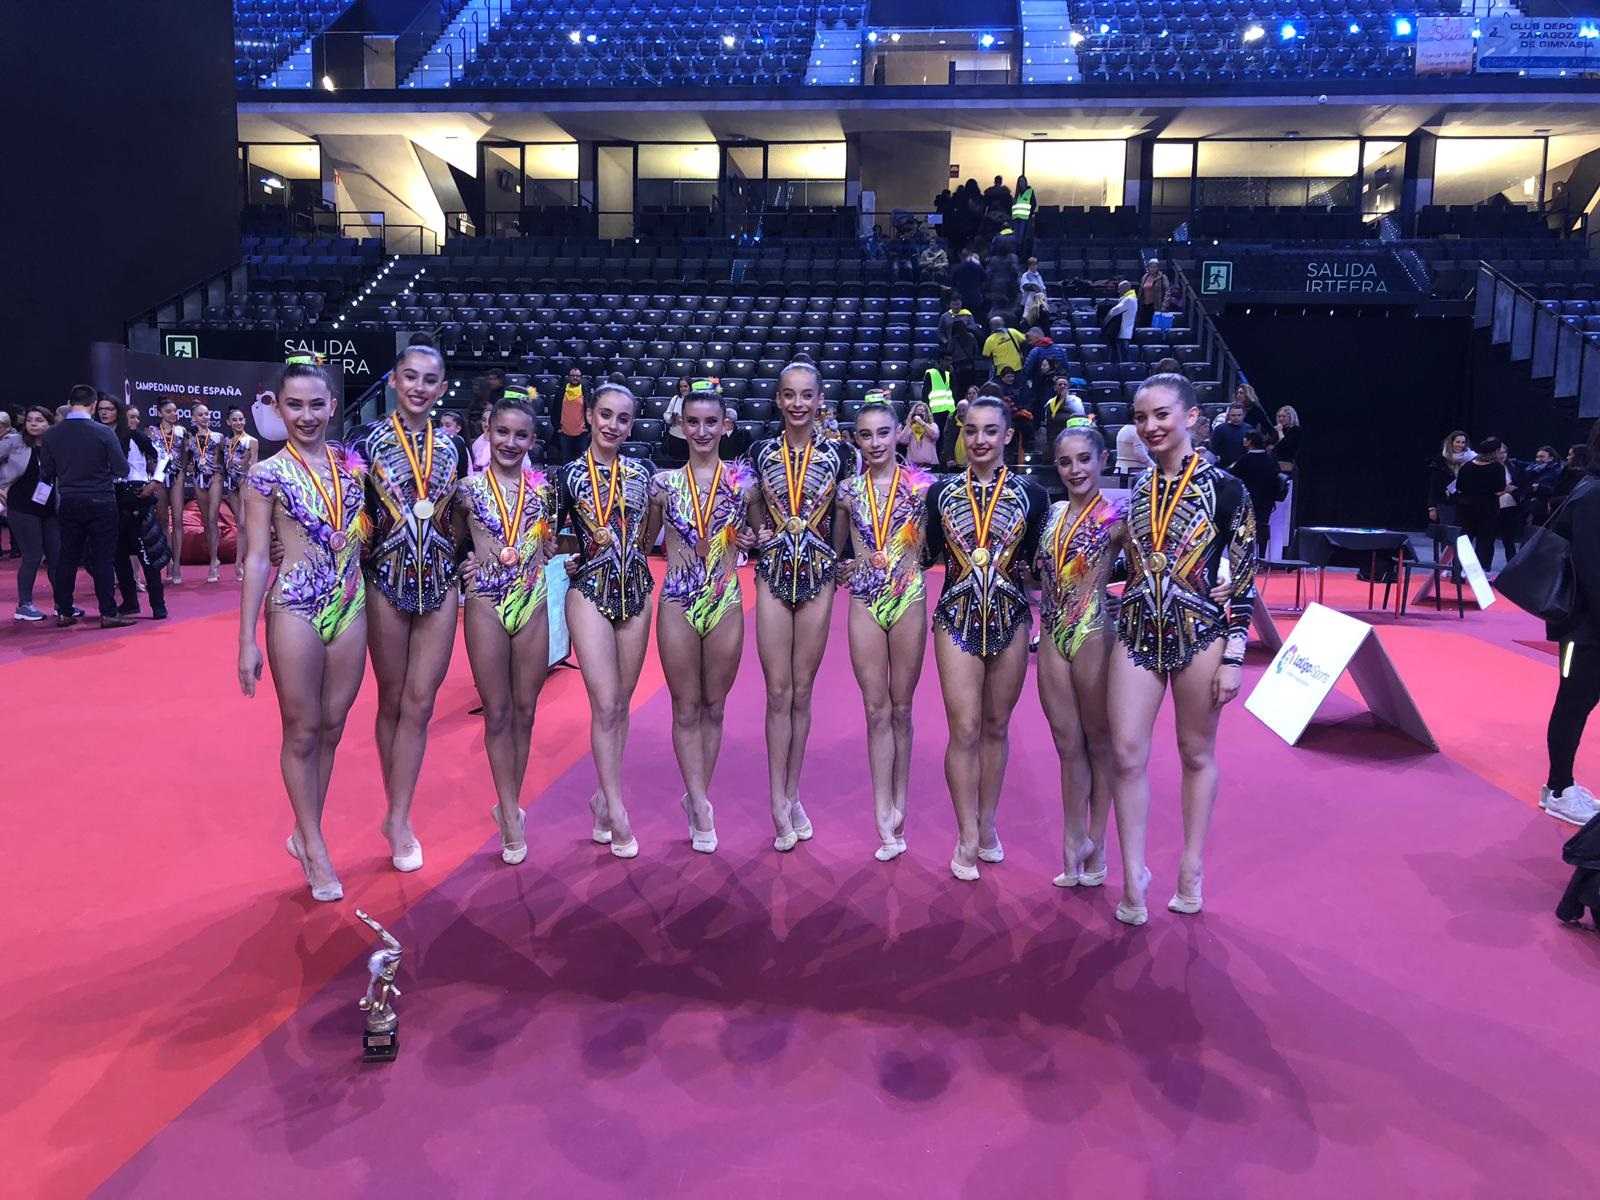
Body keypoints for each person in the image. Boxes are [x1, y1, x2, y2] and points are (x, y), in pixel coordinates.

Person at [1108, 374, 1256, 925]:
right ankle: (1134, 873)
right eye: (1141, 417)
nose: (1150, 427)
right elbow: (1130, 563)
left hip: (1201, 635)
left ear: (1192, 417)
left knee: (1195, 753)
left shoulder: (1228, 490)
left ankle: (1191, 867)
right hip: (1137, 630)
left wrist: (1234, 657)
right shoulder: (1136, 492)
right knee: (1126, 753)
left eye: (1161, 415)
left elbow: (1243, 578)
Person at [238, 360, 370, 902]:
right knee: (302, 729)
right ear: (277, 408)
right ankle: (315, 846)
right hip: (293, 604)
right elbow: (255, 557)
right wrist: (246, 639)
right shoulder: (265, 474)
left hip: (351, 604)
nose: (307, 415)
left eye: (317, 405)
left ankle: (303, 830)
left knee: (333, 727)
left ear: (333, 407)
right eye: (294, 405)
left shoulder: (355, 466)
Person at [924, 397, 1050, 880]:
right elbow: (925, 554)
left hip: (1010, 617)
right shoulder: (940, 492)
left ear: (1007, 436)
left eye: (990, 431)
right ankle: (966, 833)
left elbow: (1039, 562)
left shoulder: (1032, 494)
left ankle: (988, 820)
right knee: (964, 729)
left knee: (996, 726)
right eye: (972, 430)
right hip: (955, 618)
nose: (980, 440)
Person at [350, 343, 461, 872]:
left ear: (442, 388)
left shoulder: (454, 448)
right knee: (392, 699)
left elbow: (459, 518)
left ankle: (399, 815)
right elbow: (349, 511)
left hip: (440, 583)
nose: (419, 387)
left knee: (421, 702)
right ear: (394, 381)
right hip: (384, 580)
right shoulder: (365, 441)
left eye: (429, 379)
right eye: (410, 376)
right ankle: (396, 811)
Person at [749, 362, 858, 851]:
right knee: (777, 692)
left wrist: (837, 559)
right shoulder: (759, 452)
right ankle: (776, 797)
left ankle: (793, 793)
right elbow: (752, 506)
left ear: (820, 401)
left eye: (806, 395)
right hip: (773, 575)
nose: (797, 403)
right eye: (789, 395)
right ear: (778, 399)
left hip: (818, 577)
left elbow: (844, 514)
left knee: (801, 691)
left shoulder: (841, 455)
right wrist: (758, 537)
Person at [645, 386, 758, 854]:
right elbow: (639, 544)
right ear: (680, 426)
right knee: (685, 706)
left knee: (715, 705)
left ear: (726, 426)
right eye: (693, 422)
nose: (702, 431)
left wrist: (752, 538)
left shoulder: (744, 484)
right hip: (677, 598)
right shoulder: (662, 485)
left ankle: (697, 796)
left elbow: (759, 533)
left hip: (725, 598)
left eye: (711, 422)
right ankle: (700, 803)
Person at [453, 394, 559, 865]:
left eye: (520, 435)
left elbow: (549, 540)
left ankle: (509, 802)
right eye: (502, 432)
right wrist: (465, 562)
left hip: (532, 601)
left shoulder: (544, 492)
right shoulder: (467, 491)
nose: (510, 442)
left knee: (526, 711)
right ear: (487, 432)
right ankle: (511, 813)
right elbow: (450, 540)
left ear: (532, 440)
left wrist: (550, 549)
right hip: (485, 604)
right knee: (497, 713)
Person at [556, 383, 655, 858]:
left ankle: (601, 796)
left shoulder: (642, 473)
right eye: (606, 415)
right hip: (589, 592)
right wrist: (573, 555)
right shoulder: (567, 475)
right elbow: (550, 536)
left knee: (622, 705)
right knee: (606, 701)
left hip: (636, 591)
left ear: (631, 426)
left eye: (623, 418)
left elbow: (649, 533)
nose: (613, 425)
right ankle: (617, 810)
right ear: (590, 417)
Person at [835, 402, 932, 860]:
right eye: (865, 435)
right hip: (864, 601)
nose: (874, 443)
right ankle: (881, 810)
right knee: (876, 710)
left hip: (908, 596)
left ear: (899, 434)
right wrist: (843, 567)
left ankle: (901, 800)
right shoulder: (847, 492)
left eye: (882, 433)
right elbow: (835, 550)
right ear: (856, 439)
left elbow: (937, 547)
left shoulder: (922, 488)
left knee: (902, 708)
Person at [1036, 420, 1123, 889]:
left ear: (1103, 460)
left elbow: (1153, 566)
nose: (1075, 470)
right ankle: (1073, 840)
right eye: (1066, 462)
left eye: (1084, 459)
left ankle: (1099, 842)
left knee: (1099, 741)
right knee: (1067, 744)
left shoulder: (1117, 516)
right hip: (1052, 633)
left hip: (1094, 631)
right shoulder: (1051, 514)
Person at [1539, 422, 1600, 826]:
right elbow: (1593, 569)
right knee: (1574, 703)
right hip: (1585, 626)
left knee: (1579, 702)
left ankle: (1560, 786)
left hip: (1590, 625)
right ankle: (1559, 788)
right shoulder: (1593, 494)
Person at [40, 386, 135, 630]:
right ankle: (108, 613)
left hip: (69, 500)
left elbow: (47, 471)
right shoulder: (103, 432)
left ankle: (63, 611)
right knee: (103, 558)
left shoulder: (52, 434)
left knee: (67, 557)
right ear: (93, 406)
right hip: (101, 500)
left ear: (69, 403)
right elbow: (122, 469)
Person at [97, 393, 168, 619]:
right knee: (118, 553)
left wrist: (154, 482)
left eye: (109, 408)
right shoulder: (96, 435)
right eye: (101, 409)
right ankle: (129, 602)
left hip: (137, 494)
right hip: (110, 496)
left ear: (118, 411)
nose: (104, 412)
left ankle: (158, 605)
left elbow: (164, 455)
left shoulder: (135, 435)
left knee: (147, 551)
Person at [6, 407, 60, 622]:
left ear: (49, 423)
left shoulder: (55, 445)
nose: (34, 424)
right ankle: (24, 605)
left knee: (57, 557)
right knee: (33, 556)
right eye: (30, 420)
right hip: (22, 508)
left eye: (39, 420)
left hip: (50, 508)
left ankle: (62, 603)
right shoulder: (15, 442)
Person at [1454, 437, 1511, 571]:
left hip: (1466, 508)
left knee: (1464, 540)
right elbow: (1499, 490)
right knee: (1485, 542)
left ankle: (1457, 571)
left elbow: (1459, 486)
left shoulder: (1467, 466)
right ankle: (1482, 572)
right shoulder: (1497, 468)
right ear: (1496, 451)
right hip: (1487, 509)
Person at [185, 403, 224, 583]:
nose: (205, 417)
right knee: (206, 521)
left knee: (212, 518)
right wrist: (190, 467)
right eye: (200, 415)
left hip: (215, 477)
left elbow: (225, 459)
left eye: (207, 414)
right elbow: (185, 460)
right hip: (198, 478)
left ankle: (214, 562)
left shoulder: (218, 437)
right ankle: (213, 556)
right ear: (193, 418)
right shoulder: (189, 439)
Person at [152, 397, 188, 585]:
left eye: (175, 411)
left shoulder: (181, 431)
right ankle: (168, 561)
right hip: (159, 475)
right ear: (159, 413)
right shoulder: (152, 431)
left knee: (178, 519)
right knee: (163, 521)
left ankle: (177, 565)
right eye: (168, 411)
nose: (173, 414)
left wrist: (180, 470)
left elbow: (185, 454)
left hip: (176, 475)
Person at [220, 406, 258, 582]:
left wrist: (247, 479)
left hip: (245, 482)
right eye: (234, 420)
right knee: (239, 524)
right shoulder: (226, 441)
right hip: (231, 483)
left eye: (241, 419)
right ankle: (238, 563)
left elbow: (254, 465)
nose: (238, 422)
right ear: (228, 422)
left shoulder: (251, 441)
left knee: (243, 523)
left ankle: (243, 562)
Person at [1231, 429, 1283, 554]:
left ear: (1249, 441)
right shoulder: (1271, 457)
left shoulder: (1245, 459)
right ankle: (1262, 555)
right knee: (1262, 526)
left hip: (1250, 500)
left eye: (1245, 438)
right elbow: (1277, 475)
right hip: (1267, 500)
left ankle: (1245, 555)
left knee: (1246, 528)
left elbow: (1233, 477)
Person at [1427, 430, 1473, 527]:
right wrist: (1432, 507)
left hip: (1466, 503)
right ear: (1451, 443)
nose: (1460, 445)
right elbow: (1434, 486)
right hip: (1446, 503)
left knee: (1464, 532)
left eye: (1463, 442)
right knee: (1448, 532)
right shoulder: (1440, 461)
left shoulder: (1472, 460)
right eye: (1457, 442)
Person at [922, 352, 959, 467]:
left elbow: (953, 391)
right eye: (947, 360)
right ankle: (934, 463)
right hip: (935, 412)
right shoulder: (931, 373)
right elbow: (925, 394)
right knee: (936, 439)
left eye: (950, 360)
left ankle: (943, 463)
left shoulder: (948, 374)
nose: (949, 363)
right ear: (940, 360)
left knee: (947, 439)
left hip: (949, 411)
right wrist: (926, 411)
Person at [555, 366, 590, 464]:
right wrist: (558, 427)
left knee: (584, 461)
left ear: (581, 378)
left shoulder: (585, 392)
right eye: (573, 375)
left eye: (577, 376)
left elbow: (590, 410)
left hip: (582, 433)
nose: (575, 378)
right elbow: (554, 410)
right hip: (564, 433)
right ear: (569, 377)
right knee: (566, 462)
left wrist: (588, 427)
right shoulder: (561, 392)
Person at [660, 375, 694, 467]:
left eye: (685, 386)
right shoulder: (675, 399)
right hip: (675, 437)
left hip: (690, 438)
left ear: (690, 387)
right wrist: (673, 418)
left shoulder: (695, 400)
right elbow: (666, 415)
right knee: (677, 465)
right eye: (681, 386)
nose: (683, 388)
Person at [1208, 400, 1251, 470]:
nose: (1236, 418)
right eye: (1233, 415)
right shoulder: (1220, 429)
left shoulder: (1248, 428)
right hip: (1224, 467)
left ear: (1244, 415)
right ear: (1229, 415)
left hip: (1243, 467)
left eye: (1239, 415)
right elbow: (1213, 447)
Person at [899, 400, 941, 468]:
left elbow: (934, 436)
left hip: (929, 465)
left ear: (927, 413)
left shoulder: (932, 425)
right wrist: (909, 423)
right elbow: (902, 441)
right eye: (917, 411)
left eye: (922, 411)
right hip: (912, 465)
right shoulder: (910, 427)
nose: (919, 413)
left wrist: (921, 422)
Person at [1105, 282, 1139, 362]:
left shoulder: (1129, 299)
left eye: (1119, 289)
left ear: (1125, 288)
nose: (1118, 291)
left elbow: (1114, 311)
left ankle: (1125, 368)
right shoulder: (1131, 298)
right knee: (1120, 354)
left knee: (1123, 355)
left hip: (1123, 332)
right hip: (1124, 331)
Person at [950, 249, 986, 316]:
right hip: (976, 297)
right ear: (970, 255)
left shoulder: (958, 268)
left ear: (961, 256)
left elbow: (952, 281)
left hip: (962, 297)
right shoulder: (978, 267)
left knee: (963, 317)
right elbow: (985, 279)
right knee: (975, 317)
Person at [1137, 260, 1170, 327]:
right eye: (1151, 267)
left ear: (1158, 268)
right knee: (1144, 324)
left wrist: (1164, 305)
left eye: (1155, 267)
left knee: (1154, 325)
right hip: (1144, 305)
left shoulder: (1162, 277)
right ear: (1148, 268)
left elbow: (1167, 292)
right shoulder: (1145, 277)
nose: (1153, 269)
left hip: (1156, 305)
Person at [1010, 176, 1036, 253]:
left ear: (1025, 182)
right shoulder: (1017, 193)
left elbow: (1033, 204)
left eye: (1022, 181)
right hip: (1016, 218)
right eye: (1020, 181)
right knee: (1016, 236)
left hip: (1024, 218)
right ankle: (1017, 252)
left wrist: (1029, 214)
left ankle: (1020, 252)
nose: (1021, 183)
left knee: (1021, 237)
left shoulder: (1029, 191)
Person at [1274, 406, 1302, 472]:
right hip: (1276, 465)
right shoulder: (1279, 430)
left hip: (1288, 467)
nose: (1280, 419)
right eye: (1279, 416)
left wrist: (1280, 431)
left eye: (1284, 416)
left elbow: (1285, 445)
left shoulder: (1295, 430)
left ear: (1291, 417)